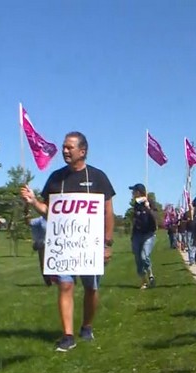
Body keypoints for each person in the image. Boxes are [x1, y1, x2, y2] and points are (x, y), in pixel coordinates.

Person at [20, 131, 115, 352]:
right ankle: (68, 336)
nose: (64, 151)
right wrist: (33, 201)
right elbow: (48, 212)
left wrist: (107, 244)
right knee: (65, 284)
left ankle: (87, 326)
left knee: (91, 288)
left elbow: (108, 212)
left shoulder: (98, 178)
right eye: (63, 147)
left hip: (90, 246)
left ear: (82, 151)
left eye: (69, 147)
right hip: (63, 245)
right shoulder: (55, 178)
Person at [129, 183, 158, 289]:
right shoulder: (136, 204)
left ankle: (150, 275)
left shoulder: (150, 202)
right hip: (137, 234)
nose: (132, 193)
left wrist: (148, 207)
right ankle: (143, 281)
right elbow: (135, 220)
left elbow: (155, 218)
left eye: (134, 191)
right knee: (138, 258)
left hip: (149, 234)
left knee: (144, 256)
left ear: (139, 192)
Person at [24, 204, 51, 286]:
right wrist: (26, 212)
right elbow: (29, 222)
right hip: (43, 245)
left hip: (55, 244)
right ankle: (48, 282)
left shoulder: (56, 219)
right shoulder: (40, 220)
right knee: (44, 264)